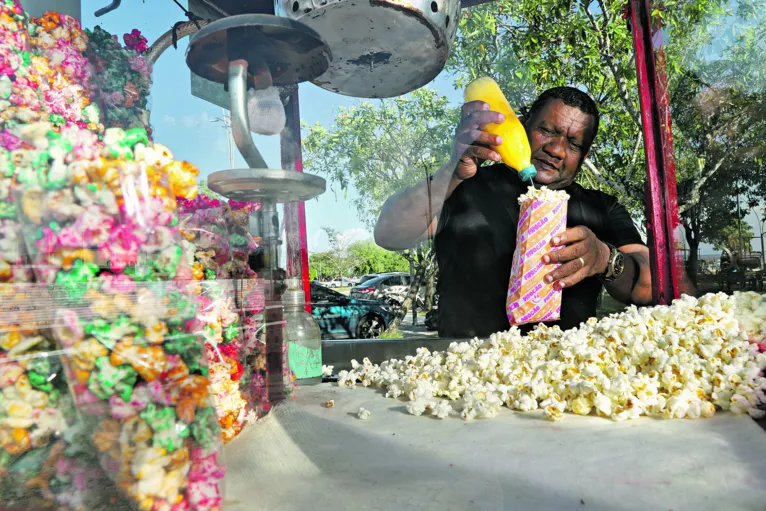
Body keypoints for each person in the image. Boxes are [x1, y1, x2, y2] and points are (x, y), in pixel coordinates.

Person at [374, 87, 653, 338]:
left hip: (567, 379)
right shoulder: (462, 186)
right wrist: (452, 172)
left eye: (573, 143)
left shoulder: (602, 208)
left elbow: (651, 286)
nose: (556, 149)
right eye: (546, 131)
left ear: (585, 155)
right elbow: (389, 233)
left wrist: (605, 257)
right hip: (467, 374)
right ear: (521, 126)